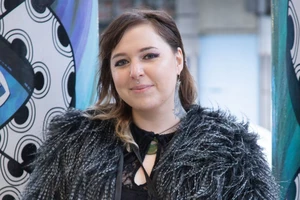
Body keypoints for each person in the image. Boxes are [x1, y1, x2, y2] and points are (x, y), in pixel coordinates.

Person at [22, 9, 279, 200]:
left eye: (149, 56)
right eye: (121, 62)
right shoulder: (74, 144)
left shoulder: (232, 151)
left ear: (178, 60)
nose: (135, 71)